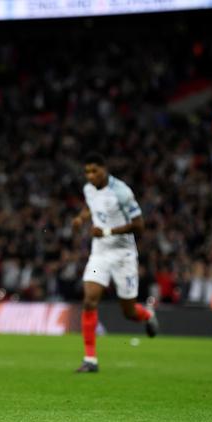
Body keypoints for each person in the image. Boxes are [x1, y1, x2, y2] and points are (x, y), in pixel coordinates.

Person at [72, 152, 158, 373]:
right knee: (90, 299)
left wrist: (107, 230)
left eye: (94, 171)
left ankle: (147, 315)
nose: (90, 176)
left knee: (128, 312)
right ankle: (90, 359)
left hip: (123, 255)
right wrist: (82, 218)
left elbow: (139, 226)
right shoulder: (88, 189)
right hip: (99, 253)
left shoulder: (122, 192)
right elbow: (92, 206)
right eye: (87, 172)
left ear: (104, 169)